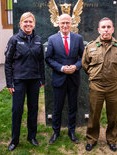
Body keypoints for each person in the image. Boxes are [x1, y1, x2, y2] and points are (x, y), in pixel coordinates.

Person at [82, 17, 117, 152]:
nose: (106, 30)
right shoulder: (90, 47)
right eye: (103, 27)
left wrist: (114, 75)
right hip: (96, 87)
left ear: (113, 29)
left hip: (113, 87)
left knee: (112, 115)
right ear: (99, 29)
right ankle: (92, 139)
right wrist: (93, 75)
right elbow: (85, 64)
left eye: (109, 27)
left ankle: (112, 139)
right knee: (94, 115)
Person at [4, 12, 45, 151]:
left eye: (30, 22)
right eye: (25, 22)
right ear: (20, 24)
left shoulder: (38, 40)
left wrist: (42, 79)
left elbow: (41, 62)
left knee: (33, 109)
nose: (28, 24)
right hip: (19, 81)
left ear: (34, 24)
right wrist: (9, 83)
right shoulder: (14, 40)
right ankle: (15, 140)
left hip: (34, 81)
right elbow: (8, 63)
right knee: (17, 110)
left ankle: (31, 136)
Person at [45, 14, 84, 144]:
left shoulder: (78, 38)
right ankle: (56, 132)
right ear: (58, 23)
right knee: (57, 107)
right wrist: (61, 68)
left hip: (73, 78)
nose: (65, 25)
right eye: (63, 23)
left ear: (71, 23)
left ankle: (71, 132)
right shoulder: (52, 39)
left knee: (73, 106)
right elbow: (48, 59)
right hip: (59, 78)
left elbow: (82, 57)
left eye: (67, 22)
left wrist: (76, 66)